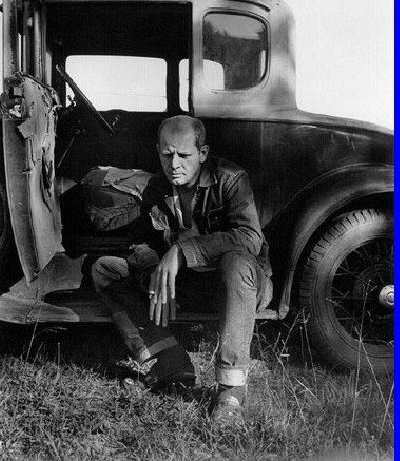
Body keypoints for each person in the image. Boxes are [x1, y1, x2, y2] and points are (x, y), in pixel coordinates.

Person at [91, 115, 272, 426]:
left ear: (202, 153)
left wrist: (182, 252)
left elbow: (249, 238)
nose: (174, 163)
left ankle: (231, 392)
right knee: (106, 269)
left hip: (240, 287)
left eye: (184, 155)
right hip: (186, 288)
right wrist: (152, 269)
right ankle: (170, 361)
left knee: (236, 261)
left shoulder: (230, 178)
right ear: (158, 151)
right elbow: (141, 242)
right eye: (166, 153)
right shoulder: (156, 188)